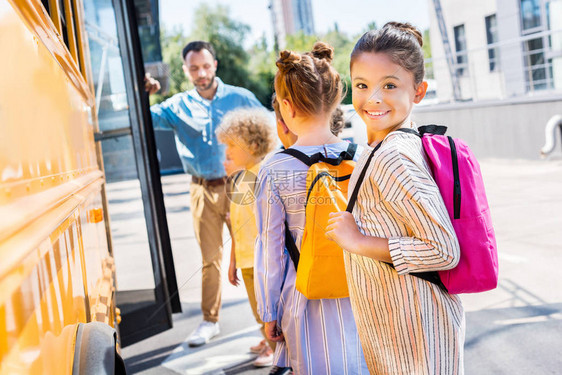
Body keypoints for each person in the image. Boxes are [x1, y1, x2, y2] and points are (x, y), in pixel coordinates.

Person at [325, 22, 465, 374]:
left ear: (418, 92)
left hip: (415, 336)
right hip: (399, 330)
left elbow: (443, 249)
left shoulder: (394, 156)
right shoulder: (382, 146)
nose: (373, 98)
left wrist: (357, 241)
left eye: (389, 85)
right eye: (362, 85)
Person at [254, 42, 368, 375]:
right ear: (335, 101)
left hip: (304, 300)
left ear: (285, 107)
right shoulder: (362, 156)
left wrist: (269, 311)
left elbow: (270, 249)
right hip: (361, 294)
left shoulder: (274, 169)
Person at [145, 40, 264, 347]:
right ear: (185, 70)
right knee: (210, 259)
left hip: (240, 187)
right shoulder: (176, 106)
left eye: (206, 66)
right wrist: (144, 92)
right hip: (201, 189)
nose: (201, 73)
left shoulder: (241, 97)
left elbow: (272, 129)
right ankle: (210, 321)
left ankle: (267, 329)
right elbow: (143, 117)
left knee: (253, 258)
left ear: (215, 65)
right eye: (194, 68)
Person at [216, 108, 277, 367]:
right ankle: (269, 340)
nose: (227, 152)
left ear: (253, 145)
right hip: (247, 260)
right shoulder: (241, 178)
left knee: (265, 310)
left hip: (261, 263)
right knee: (257, 309)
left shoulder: (262, 175)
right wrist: (233, 261)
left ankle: (276, 351)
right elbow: (236, 226)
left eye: (232, 145)